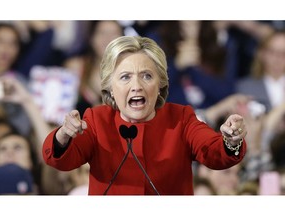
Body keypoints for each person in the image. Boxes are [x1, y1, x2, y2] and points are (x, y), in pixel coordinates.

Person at [42, 36, 247, 195]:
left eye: (147, 76)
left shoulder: (181, 119)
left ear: (160, 85)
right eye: (125, 77)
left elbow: (214, 152)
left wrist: (231, 141)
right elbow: (61, 161)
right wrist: (64, 135)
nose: (136, 86)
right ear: (110, 88)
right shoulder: (97, 120)